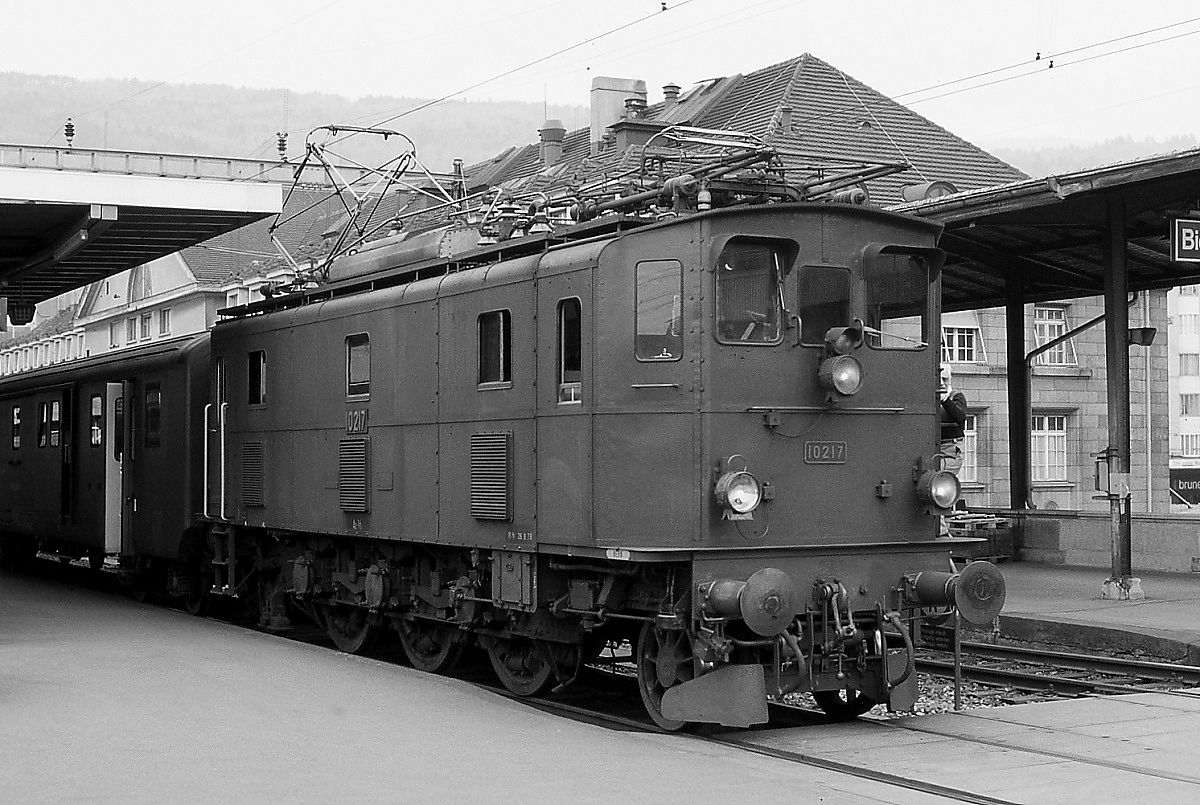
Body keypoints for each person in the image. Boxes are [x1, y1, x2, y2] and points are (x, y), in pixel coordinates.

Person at [938, 363, 968, 535]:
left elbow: (960, 416)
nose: (942, 382)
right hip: (936, 447)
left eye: (945, 379)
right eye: (939, 379)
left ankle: (942, 531)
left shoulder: (957, 397)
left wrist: (945, 400)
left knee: (939, 480)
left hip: (952, 447)